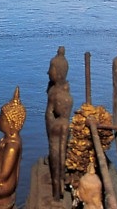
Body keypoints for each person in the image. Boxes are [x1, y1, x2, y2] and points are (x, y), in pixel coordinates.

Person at [46, 48, 73, 201]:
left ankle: (58, 192)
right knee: (57, 157)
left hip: (56, 130)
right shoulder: (55, 90)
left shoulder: (58, 94)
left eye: (51, 69)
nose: (48, 73)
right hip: (55, 129)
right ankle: (58, 185)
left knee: (58, 160)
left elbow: (50, 112)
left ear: (58, 72)